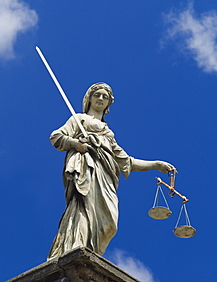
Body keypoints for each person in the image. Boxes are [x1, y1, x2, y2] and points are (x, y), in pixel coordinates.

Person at [47, 82, 177, 259]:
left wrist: (155, 164)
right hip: (87, 168)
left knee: (110, 225)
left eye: (105, 96)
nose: (100, 98)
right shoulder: (79, 119)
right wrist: (76, 144)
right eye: (97, 95)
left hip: (106, 175)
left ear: (109, 103)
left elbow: (128, 162)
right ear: (89, 98)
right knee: (84, 210)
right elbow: (56, 137)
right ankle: (76, 249)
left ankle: (92, 256)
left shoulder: (109, 135)